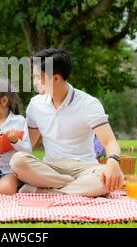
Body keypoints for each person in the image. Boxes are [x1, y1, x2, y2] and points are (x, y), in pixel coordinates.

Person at [10, 48, 124, 197]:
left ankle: (44, 191)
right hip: (51, 168)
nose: (35, 82)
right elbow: (27, 145)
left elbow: (110, 142)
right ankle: (73, 187)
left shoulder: (88, 104)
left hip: (84, 167)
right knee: (17, 161)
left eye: (39, 77)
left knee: (102, 181)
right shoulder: (35, 104)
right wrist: (13, 140)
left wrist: (113, 162)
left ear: (56, 78)